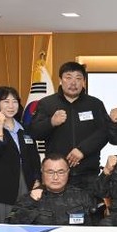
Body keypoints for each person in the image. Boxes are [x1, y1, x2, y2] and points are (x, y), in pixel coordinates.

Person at [29, 62, 109, 191]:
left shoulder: (95, 104)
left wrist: (82, 150)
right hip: (57, 176)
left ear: (83, 82)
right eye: (68, 77)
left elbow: (105, 132)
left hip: (88, 175)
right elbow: (34, 132)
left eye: (78, 78)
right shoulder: (46, 103)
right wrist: (51, 122)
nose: (73, 82)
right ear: (60, 80)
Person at [0, 86, 41, 230]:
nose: (11, 106)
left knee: (25, 230)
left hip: (27, 185)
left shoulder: (25, 129)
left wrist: (38, 179)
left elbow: (34, 158)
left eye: (14, 101)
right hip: (2, 190)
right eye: (6, 101)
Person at [7, 154, 99, 226]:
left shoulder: (82, 197)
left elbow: (95, 229)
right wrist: (31, 202)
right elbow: (10, 227)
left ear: (68, 172)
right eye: (50, 172)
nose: (55, 177)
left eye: (61, 172)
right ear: (42, 172)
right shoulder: (28, 198)